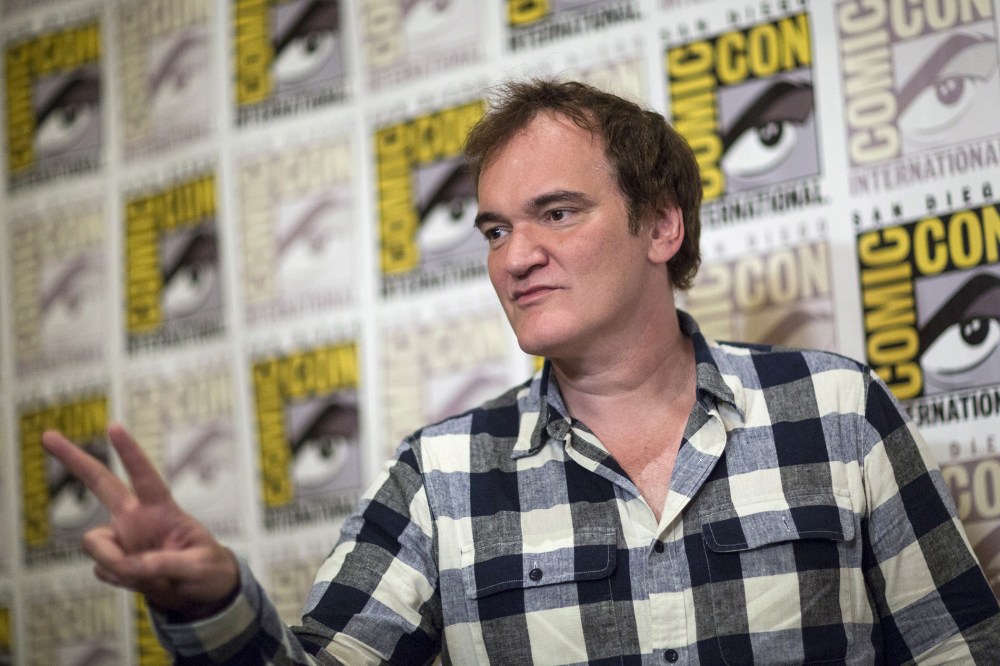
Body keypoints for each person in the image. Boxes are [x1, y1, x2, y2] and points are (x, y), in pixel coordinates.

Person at [43, 79, 1000, 664]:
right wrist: (210, 604)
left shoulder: (835, 410)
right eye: (497, 229)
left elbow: (959, 648)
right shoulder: (443, 478)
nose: (513, 256)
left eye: (557, 213)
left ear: (661, 224)